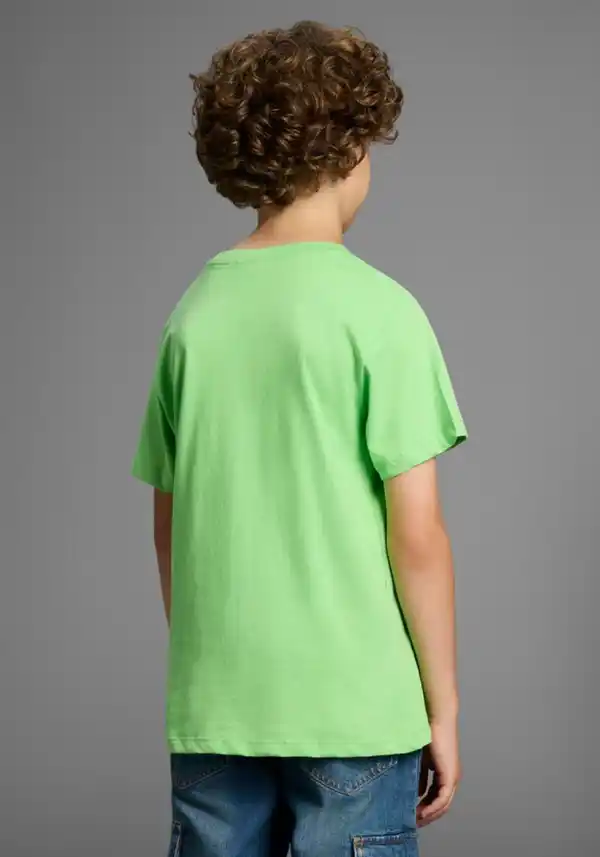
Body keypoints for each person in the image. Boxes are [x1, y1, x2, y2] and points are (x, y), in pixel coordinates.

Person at [132, 20, 467, 857]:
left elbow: (170, 525)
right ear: (351, 149)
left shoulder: (193, 317)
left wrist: (216, 670)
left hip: (219, 708)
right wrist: (443, 704)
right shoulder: (382, 312)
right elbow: (417, 534)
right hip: (355, 707)